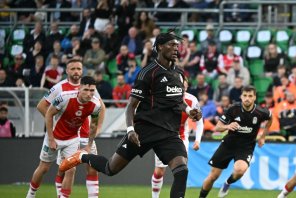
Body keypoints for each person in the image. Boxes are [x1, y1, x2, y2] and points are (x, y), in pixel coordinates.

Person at [59, 31, 202, 198]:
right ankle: (83, 156)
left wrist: (188, 111)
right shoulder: (148, 73)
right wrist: (130, 130)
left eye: (177, 45)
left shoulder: (179, 73)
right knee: (110, 169)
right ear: (160, 47)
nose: (176, 48)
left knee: (182, 170)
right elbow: (131, 106)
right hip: (143, 130)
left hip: (169, 133)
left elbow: (178, 100)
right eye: (171, 45)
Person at [28, 59, 105, 198]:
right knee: (56, 168)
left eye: (79, 69)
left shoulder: (90, 88)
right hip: (60, 133)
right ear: (67, 71)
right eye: (73, 68)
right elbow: (41, 106)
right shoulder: (60, 88)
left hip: (83, 134)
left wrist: (98, 128)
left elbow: (100, 106)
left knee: (88, 167)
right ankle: (35, 194)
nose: (76, 71)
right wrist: (59, 121)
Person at [199, 86, 272, 198]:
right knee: (213, 176)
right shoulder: (233, 109)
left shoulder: (261, 112)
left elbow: (270, 118)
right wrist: (228, 126)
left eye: (250, 96)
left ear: (255, 97)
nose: (247, 98)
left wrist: (263, 137)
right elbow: (218, 127)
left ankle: (227, 183)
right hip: (228, 145)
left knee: (240, 170)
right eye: (245, 96)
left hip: (246, 146)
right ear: (241, 96)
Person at [151, 78, 204, 198]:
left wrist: (197, 140)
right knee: (159, 172)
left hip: (181, 138)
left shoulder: (192, 100)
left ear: (186, 87)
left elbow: (200, 121)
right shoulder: (163, 97)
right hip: (162, 138)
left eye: (184, 86)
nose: (181, 88)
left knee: (182, 171)